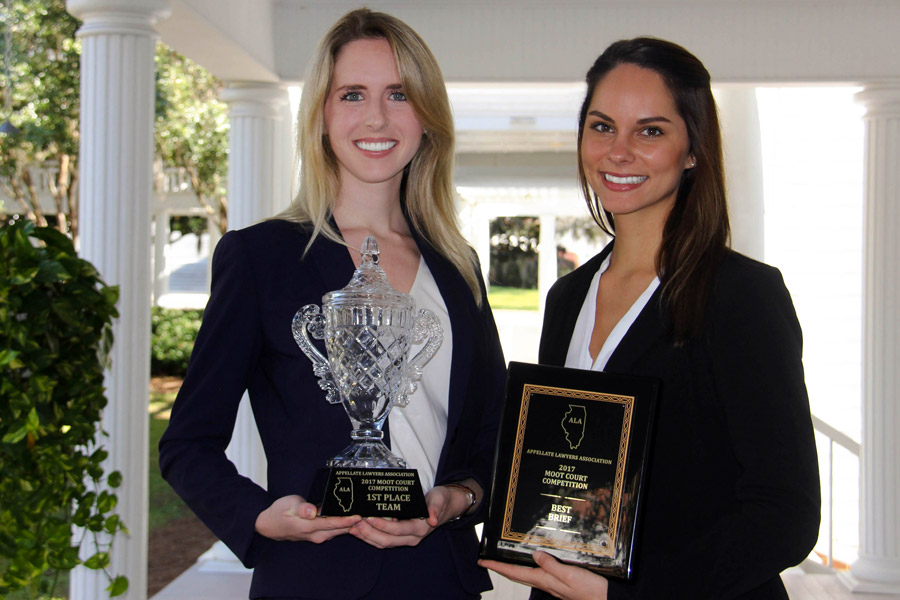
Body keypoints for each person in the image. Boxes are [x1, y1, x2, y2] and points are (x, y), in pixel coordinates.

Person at [159, 8, 506, 599]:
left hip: (440, 577)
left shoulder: (458, 265)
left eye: (399, 94)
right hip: (312, 579)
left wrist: (459, 499)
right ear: (321, 115)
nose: (376, 116)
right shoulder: (261, 257)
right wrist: (261, 517)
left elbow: (496, 439)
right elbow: (187, 444)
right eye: (352, 94)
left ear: (427, 115)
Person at [480, 37, 820, 599]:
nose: (619, 151)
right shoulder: (568, 298)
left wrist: (625, 596)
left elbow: (785, 515)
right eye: (602, 126)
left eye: (651, 131)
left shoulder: (742, 296)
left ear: (692, 149)